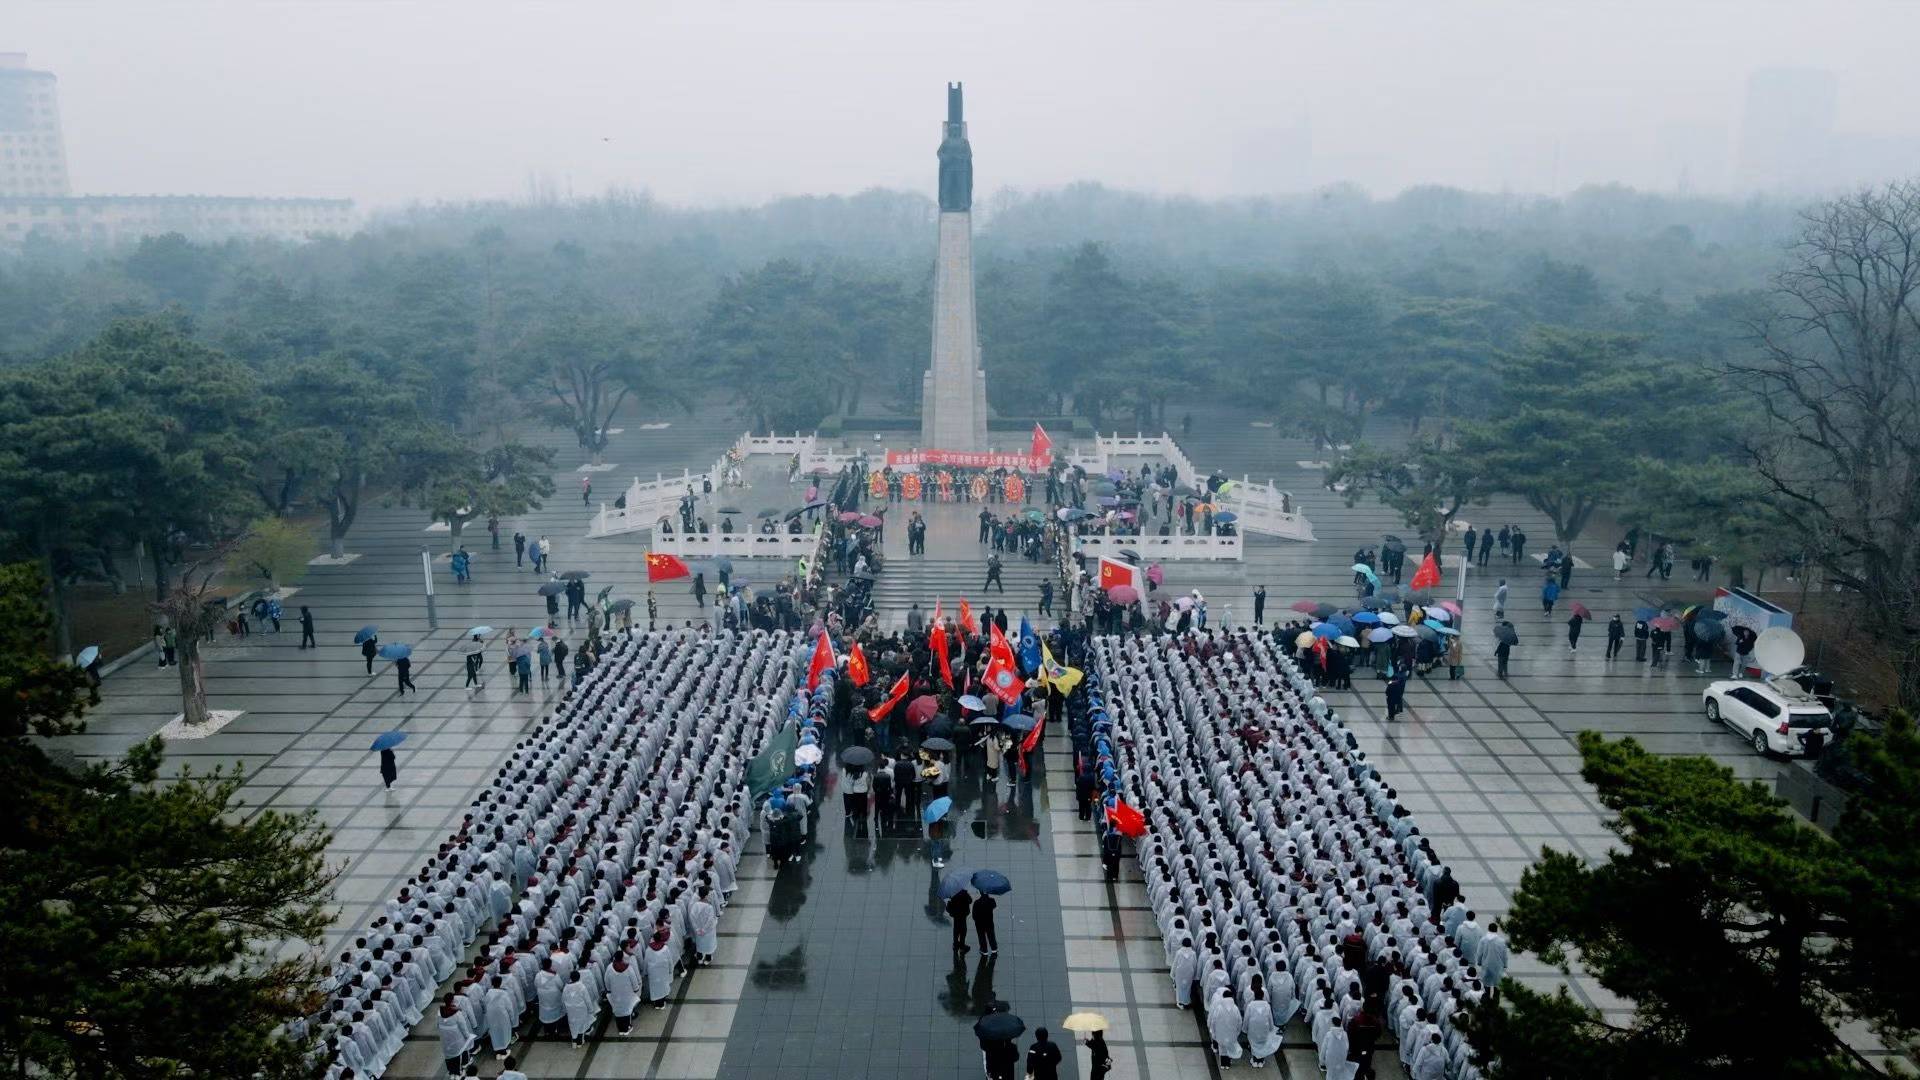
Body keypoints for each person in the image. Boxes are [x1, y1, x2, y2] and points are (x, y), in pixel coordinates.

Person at [972, 890, 999, 955]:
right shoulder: (992, 900)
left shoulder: (976, 902)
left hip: (980, 923)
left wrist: (976, 920)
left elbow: (974, 915)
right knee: (991, 935)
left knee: (981, 936)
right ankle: (994, 948)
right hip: (989, 922)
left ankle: (984, 950)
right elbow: (994, 906)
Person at [946, 887, 973, 952]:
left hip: (956, 915)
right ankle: (962, 946)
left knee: (956, 929)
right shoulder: (964, 893)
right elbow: (970, 901)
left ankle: (955, 944)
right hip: (963, 914)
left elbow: (950, 904)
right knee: (963, 930)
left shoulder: (952, 893)